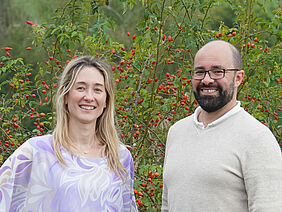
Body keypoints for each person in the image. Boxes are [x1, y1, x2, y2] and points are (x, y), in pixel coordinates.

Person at [0, 56, 137, 211]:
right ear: (65, 95)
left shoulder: (120, 157)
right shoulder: (36, 152)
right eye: (80, 88)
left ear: (106, 100)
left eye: (97, 89)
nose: (89, 97)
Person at [161, 40, 282, 211]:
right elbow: (167, 205)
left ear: (238, 78)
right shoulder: (177, 132)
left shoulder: (257, 138)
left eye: (218, 71)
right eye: (200, 72)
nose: (207, 80)